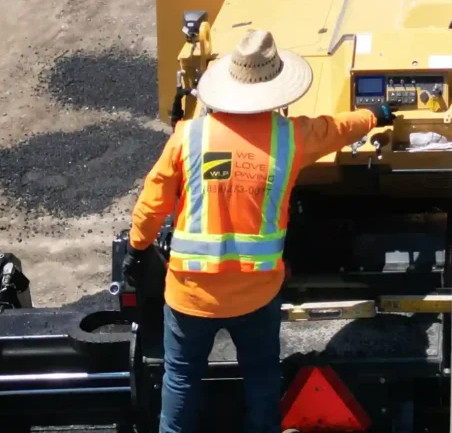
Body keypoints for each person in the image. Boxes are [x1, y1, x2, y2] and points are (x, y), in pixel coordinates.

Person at [125, 30, 391, 433]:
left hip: (190, 294)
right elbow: (336, 128)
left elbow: (153, 201)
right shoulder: (290, 137)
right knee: (262, 374)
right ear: (275, 88)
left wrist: (137, 248)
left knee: (180, 377)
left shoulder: (188, 136)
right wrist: (375, 115)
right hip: (256, 295)